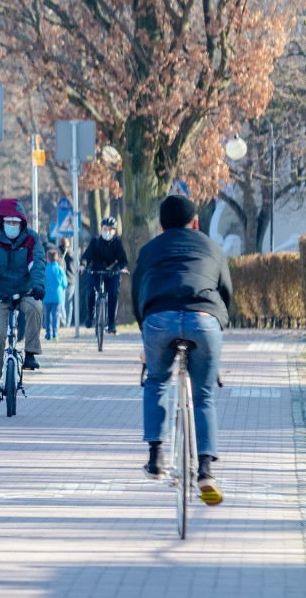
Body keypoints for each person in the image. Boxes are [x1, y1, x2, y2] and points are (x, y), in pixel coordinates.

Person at [132, 195, 231, 505]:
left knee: (158, 382)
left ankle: (156, 456)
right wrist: (217, 326)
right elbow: (226, 292)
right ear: (196, 222)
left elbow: (137, 295)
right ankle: (205, 472)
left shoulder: (149, 250)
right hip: (205, 319)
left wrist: (145, 337)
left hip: (159, 319)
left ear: (162, 226)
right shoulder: (213, 248)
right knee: (203, 397)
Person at [0, 199, 46, 402]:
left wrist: (38, 286)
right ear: (1, 222)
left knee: (36, 307)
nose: (12, 226)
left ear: (22, 223)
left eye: (16, 223)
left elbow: (37, 264)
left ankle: (31, 352)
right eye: (9, 222)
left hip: (26, 291)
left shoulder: (32, 239)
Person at [79, 216, 129, 333]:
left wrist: (123, 268)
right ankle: (90, 316)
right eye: (105, 229)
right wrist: (82, 265)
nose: (107, 231)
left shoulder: (117, 243)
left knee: (113, 294)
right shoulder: (95, 242)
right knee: (90, 291)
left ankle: (111, 323)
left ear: (114, 231)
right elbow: (86, 256)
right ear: (101, 229)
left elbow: (122, 259)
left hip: (112, 273)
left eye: (110, 229)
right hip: (95, 271)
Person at [43, 248, 67, 341]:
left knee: (47, 316)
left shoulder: (45, 269)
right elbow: (65, 283)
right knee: (55, 315)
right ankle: (55, 334)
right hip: (57, 296)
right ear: (57, 259)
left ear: (47, 259)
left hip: (46, 296)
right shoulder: (60, 269)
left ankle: (48, 334)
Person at [58, 237, 76, 328]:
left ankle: (64, 320)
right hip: (72, 280)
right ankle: (67, 322)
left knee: (63, 301)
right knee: (69, 302)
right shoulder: (72, 253)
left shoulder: (60, 253)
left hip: (62, 280)